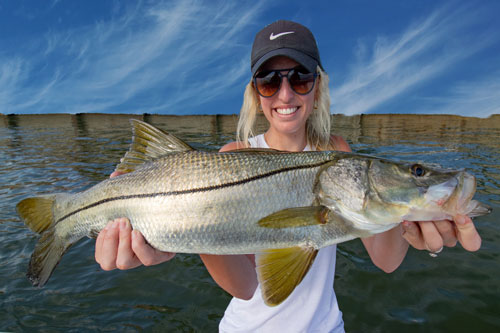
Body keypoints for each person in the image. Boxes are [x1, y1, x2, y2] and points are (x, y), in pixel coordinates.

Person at [95, 20, 482, 332]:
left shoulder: (339, 152)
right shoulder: (232, 156)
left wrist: (411, 218)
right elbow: (245, 287)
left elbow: (386, 261)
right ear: (256, 93)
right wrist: (188, 228)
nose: (285, 94)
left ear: (317, 88)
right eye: (269, 80)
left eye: (300, 78)